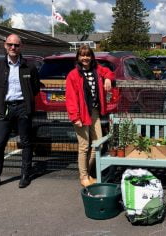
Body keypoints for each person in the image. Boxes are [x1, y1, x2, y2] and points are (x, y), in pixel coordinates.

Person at [0, 34, 40, 193]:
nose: (13, 47)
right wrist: (0, 102)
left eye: (16, 45)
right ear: (5, 45)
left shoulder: (29, 66)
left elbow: (35, 87)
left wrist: (26, 100)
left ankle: (25, 175)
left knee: (26, 142)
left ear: (21, 46)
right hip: (6, 109)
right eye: (10, 44)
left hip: (23, 107)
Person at [65, 45, 114, 187]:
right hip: (80, 114)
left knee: (98, 143)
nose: (85, 58)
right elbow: (70, 99)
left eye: (87, 55)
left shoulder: (97, 70)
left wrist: (107, 79)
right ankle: (84, 176)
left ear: (92, 57)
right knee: (84, 146)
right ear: (78, 57)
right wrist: (75, 117)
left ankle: (86, 171)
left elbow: (110, 72)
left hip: (94, 112)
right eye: (82, 55)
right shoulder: (73, 75)